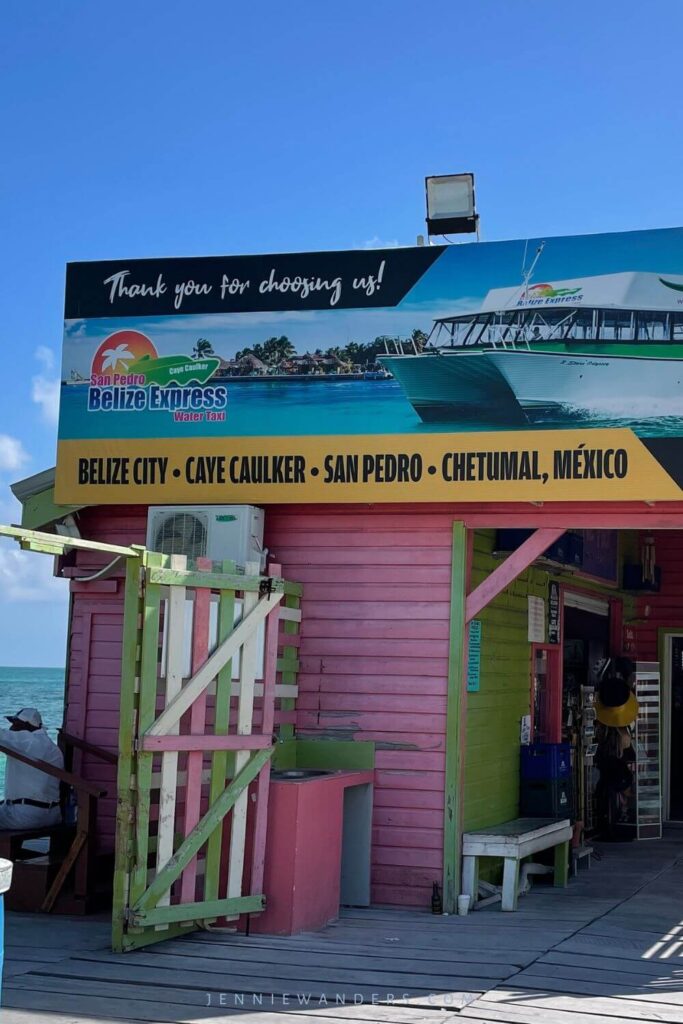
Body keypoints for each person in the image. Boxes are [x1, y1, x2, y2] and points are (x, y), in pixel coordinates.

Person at [0, 708, 63, 829]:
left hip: (25, 815)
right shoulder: (51, 747)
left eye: (16, 724)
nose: (11, 728)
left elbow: (2, 735)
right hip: (50, 813)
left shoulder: (28, 740)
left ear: (28, 726)